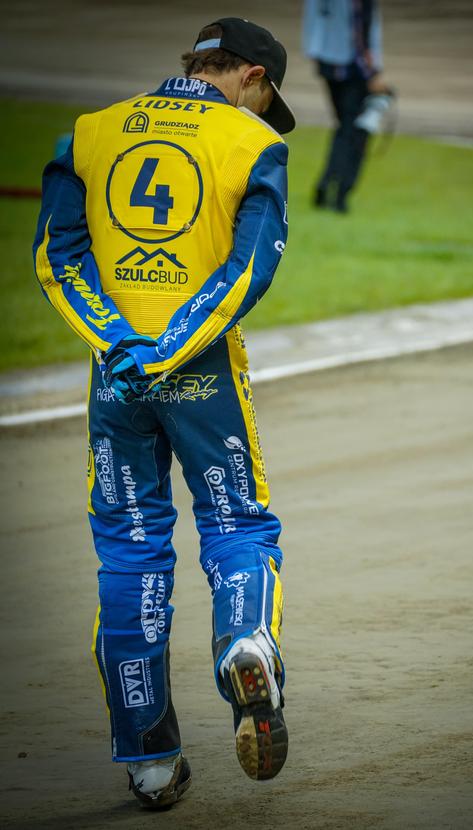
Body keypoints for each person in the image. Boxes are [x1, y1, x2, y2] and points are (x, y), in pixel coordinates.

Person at [32, 17, 295, 809]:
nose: (263, 115)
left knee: (130, 556)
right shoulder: (252, 145)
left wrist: (118, 340)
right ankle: (245, 638)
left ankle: (150, 762)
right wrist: (174, 344)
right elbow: (249, 269)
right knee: (237, 525)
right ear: (248, 75)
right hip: (202, 374)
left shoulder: (90, 132)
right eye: (266, 98)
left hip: (115, 379)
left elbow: (56, 254)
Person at [303, 0, 391, 212]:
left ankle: (326, 185)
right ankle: (340, 193)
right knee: (356, 131)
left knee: (344, 128)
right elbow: (361, 27)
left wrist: (315, 50)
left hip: (328, 62)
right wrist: (373, 71)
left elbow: (313, 17)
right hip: (354, 67)